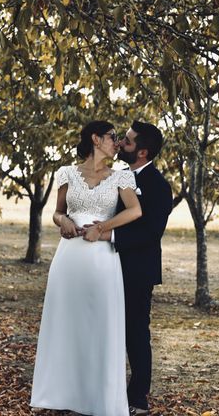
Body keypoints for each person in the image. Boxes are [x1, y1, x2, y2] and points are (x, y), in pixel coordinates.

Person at [30, 120, 141, 416]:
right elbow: (57, 211)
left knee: (99, 326)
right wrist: (62, 221)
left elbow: (135, 211)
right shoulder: (67, 173)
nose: (116, 143)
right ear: (95, 138)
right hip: (69, 259)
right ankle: (58, 395)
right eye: (112, 137)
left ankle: (97, 399)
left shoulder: (122, 177)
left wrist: (103, 227)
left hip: (101, 260)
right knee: (65, 323)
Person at [95, 121, 173, 415]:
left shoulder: (158, 185)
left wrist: (110, 234)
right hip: (106, 265)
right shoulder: (119, 176)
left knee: (135, 332)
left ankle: (137, 397)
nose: (119, 144)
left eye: (126, 142)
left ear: (141, 152)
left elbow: (152, 232)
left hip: (137, 271)